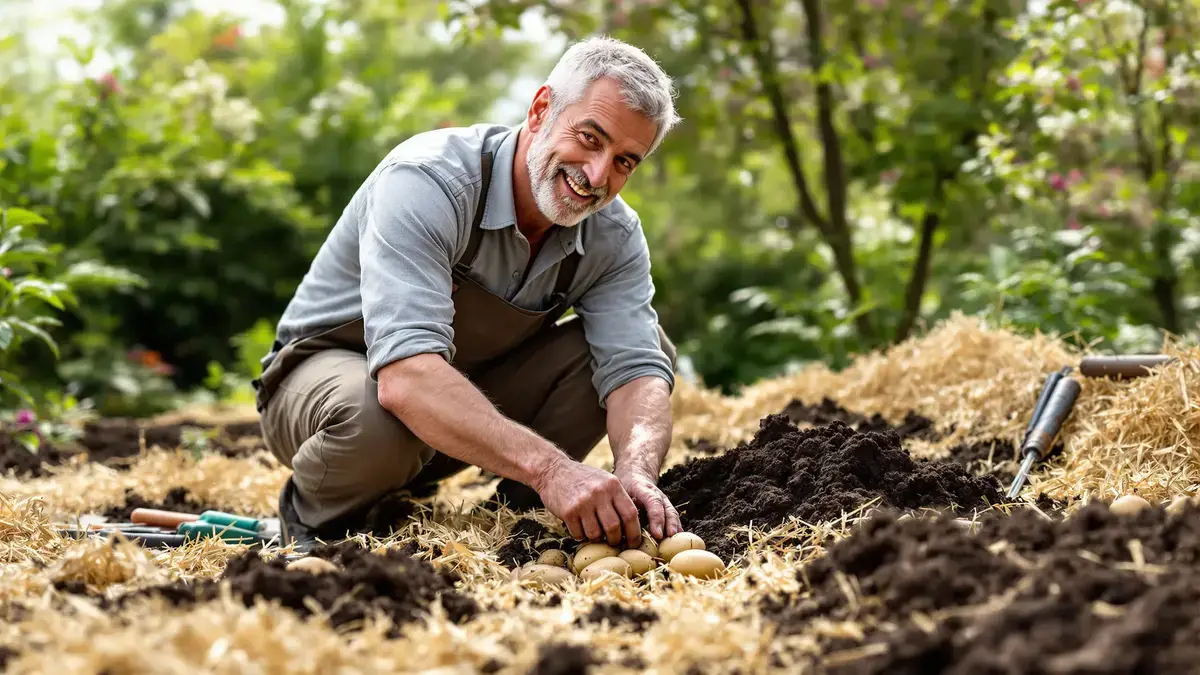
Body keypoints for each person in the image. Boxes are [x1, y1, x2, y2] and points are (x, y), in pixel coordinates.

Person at [253, 36, 684, 554]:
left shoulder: (612, 235)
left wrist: (636, 472)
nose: (597, 176)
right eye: (590, 138)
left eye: (624, 162)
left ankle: (516, 522)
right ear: (541, 109)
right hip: (332, 385)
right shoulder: (428, 181)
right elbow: (406, 379)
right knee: (375, 422)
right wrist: (553, 469)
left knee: (646, 350)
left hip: (457, 404)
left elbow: (637, 367)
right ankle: (312, 522)